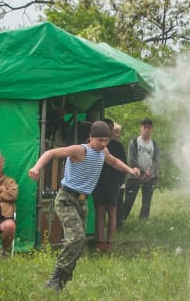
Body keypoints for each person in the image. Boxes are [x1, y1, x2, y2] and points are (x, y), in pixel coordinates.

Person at [28, 121, 139, 292]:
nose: (103, 144)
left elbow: (114, 161)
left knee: (79, 244)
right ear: (91, 138)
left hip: (82, 202)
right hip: (66, 199)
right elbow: (50, 153)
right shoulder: (80, 151)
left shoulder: (104, 152)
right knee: (77, 238)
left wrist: (129, 170)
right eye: (100, 140)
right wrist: (36, 167)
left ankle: (62, 281)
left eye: (106, 140)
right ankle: (56, 277)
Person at [91, 122, 127, 252]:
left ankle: (110, 241)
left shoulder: (117, 145)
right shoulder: (95, 146)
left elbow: (122, 163)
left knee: (112, 212)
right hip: (98, 183)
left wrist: (119, 182)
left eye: (109, 128)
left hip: (113, 183)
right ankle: (100, 241)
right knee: (100, 212)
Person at [119, 117, 161, 223]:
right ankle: (120, 221)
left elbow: (156, 160)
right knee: (129, 200)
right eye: (144, 127)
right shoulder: (134, 142)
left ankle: (143, 222)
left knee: (146, 202)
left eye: (149, 128)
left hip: (149, 177)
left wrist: (150, 172)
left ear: (152, 129)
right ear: (140, 128)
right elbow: (130, 159)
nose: (146, 130)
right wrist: (142, 171)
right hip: (134, 176)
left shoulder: (154, 144)